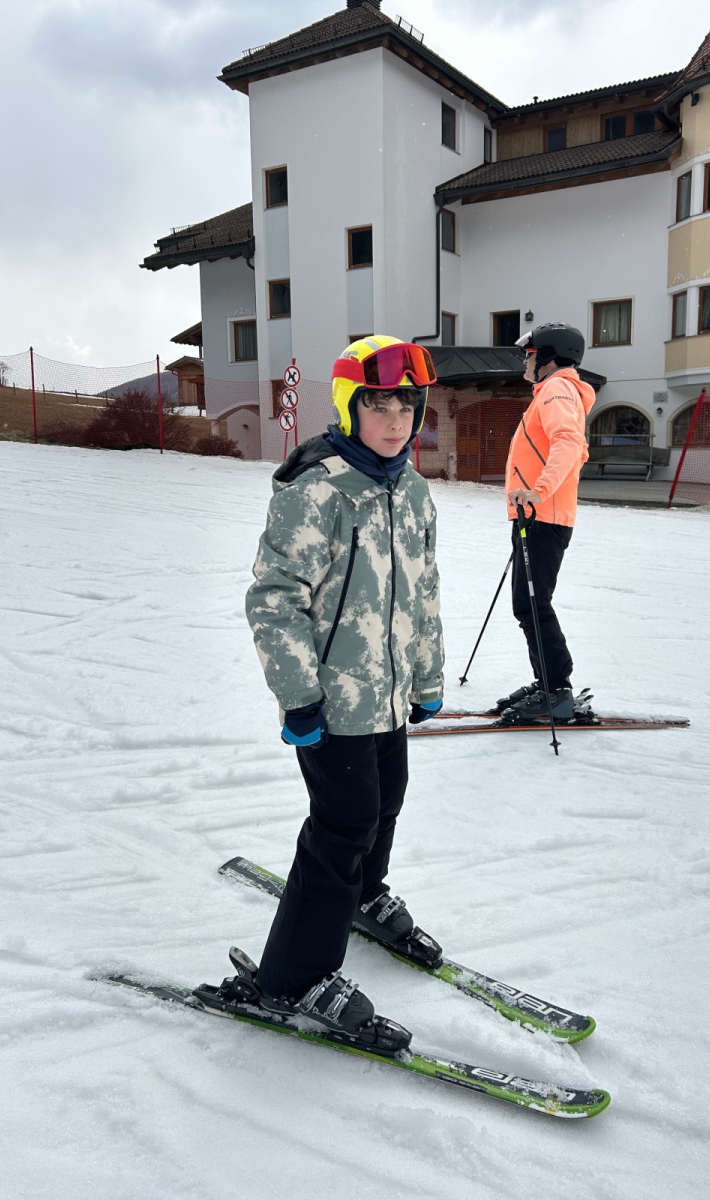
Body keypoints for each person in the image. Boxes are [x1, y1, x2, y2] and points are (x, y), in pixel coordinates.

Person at [240, 335, 445, 1053]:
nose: (395, 420)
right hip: (331, 702)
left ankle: (362, 895)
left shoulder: (411, 489)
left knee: (386, 799)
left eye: (407, 406)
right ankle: (292, 978)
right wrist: (299, 697)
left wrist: (427, 676)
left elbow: (423, 593)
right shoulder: (317, 490)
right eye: (379, 405)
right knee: (343, 823)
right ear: (349, 407)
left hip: (388, 693)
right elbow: (274, 600)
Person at [499, 322, 595, 721]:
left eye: (531, 354)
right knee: (529, 604)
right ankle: (549, 684)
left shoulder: (557, 389)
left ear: (549, 357)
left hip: (543, 515)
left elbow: (569, 443)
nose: (526, 360)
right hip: (536, 515)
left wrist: (538, 491)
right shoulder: (553, 390)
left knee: (533, 604)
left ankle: (556, 689)